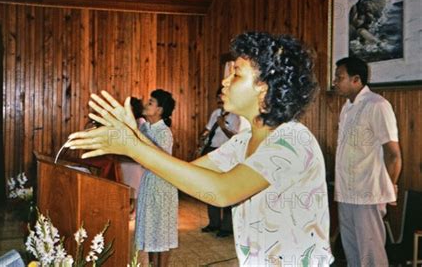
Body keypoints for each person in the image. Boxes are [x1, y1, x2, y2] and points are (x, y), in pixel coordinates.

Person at [67, 32, 334, 266]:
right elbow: (185, 174)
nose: (225, 82)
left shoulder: (292, 140)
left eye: (236, 74)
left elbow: (221, 191)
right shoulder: (242, 141)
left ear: (265, 89)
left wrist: (133, 146)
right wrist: (134, 136)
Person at [333, 57, 402, 267]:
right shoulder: (347, 107)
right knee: (353, 253)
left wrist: (388, 188)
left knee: (371, 257)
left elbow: (394, 154)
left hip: (369, 194)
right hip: (346, 193)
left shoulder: (377, 105)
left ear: (356, 79)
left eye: (339, 77)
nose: (335, 82)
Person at [134, 89, 178, 267]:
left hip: (162, 186)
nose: (146, 104)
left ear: (159, 110)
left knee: (161, 233)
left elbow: (156, 159)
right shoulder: (145, 127)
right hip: (148, 182)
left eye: (151, 102)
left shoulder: (164, 132)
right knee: (150, 232)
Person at [199, 88, 240, 238]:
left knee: (226, 189)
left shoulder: (237, 116)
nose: (219, 99)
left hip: (229, 154)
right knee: (211, 188)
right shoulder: (215, 113)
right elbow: (208, 129)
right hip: (212, 152)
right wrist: (203, 136)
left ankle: (227, 226)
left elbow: (236, 138)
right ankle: (214, 223)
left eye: (222, 96)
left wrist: (223, 126)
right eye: (218, 96)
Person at [119, 97, 146, 213]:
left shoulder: (141, 122)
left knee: (132, 174)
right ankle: (128, 206)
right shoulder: (127, 121)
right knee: (120, 168)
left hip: (138, 159)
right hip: (129, 157)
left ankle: (135, 208)